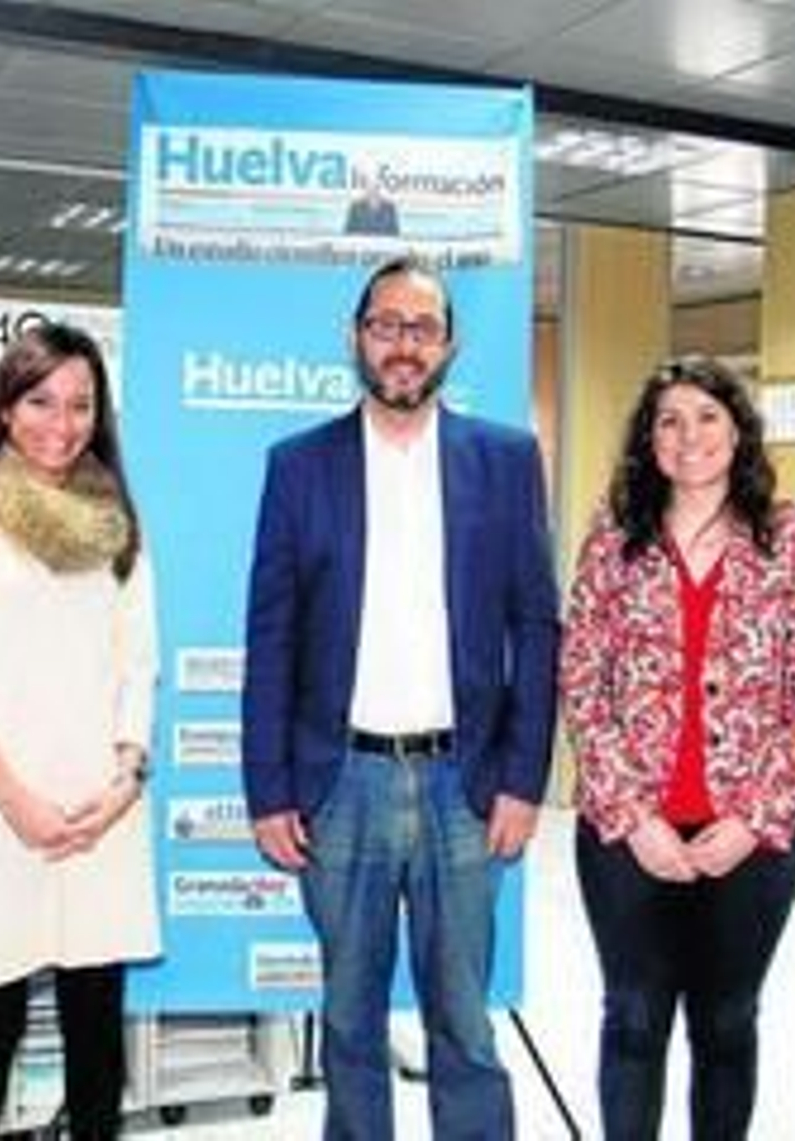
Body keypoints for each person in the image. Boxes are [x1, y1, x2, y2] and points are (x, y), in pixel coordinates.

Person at [241, 255, 559, 1139]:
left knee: (464, 1020)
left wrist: (525, 780)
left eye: (422, 328)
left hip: (466, 784)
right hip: (340, 782)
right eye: (386, 325)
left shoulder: (506, 460)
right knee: (349, 1020)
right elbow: (271, 638)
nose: (403, 345)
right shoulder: (299, 466)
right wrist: (268, 791)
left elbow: (537, 626)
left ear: (449, 345)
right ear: (356, 336)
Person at [560, 356, 795, 1141]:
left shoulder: (790, 535)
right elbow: (582, 678)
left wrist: (754, 819)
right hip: (628, 832)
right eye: (670, 420)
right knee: (634, 1017)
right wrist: (632, 814)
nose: (689, 436)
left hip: (749, 835)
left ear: (738, 430)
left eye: (708, 416)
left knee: (727, 1021)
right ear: (648, 439)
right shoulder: (614, 535)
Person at [0, 322, 159, 1141]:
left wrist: (126, 776)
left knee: (96, 1035)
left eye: (81, 404)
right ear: (5, 408)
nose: (63, 422)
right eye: (42, 401)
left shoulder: (115, 522)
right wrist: (16, 799)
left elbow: (138, 661)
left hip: (99, 815)